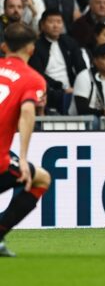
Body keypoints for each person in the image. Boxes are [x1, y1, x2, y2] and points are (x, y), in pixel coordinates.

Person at [0, 23, 51, 257]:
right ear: (31, 49)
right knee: (41, 179)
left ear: (3, 47)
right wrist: (22, 158)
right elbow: (28, 112)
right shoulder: (33, 79)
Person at [28, 9, 86, 115]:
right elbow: (37, 74)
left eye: (59, 22)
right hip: (49, 90)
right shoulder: (36, 46)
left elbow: (81, 67)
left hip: (72, 89)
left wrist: (81, 86)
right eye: (51, 22)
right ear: (42, 25)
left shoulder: (70, 42)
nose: (56, 26)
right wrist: (62, 87)